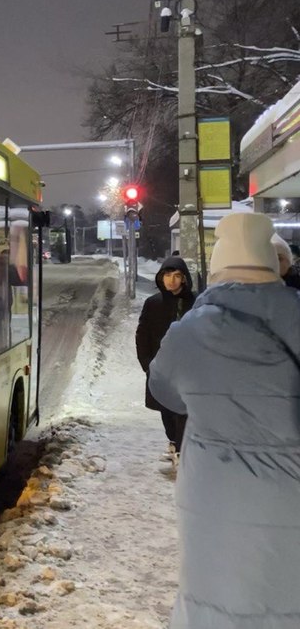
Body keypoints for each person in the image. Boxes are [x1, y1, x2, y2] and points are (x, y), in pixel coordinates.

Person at [149, 212, 300, 628]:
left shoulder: (190, 330)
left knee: (215, 595)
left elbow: (163, 390)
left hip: (212, 487)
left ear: (217, 269)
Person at [135, 255, 194, 465]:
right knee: (166, 410)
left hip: (188, 369)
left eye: (177, 276)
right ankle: (173, 441)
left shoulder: (196, 303)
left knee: (184, 411)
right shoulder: (153, 304)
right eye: (167, 275)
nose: (172, 280)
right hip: (161, 369)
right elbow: (142, 336)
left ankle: (180, 449)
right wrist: (147, 365)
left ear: (184, 278)